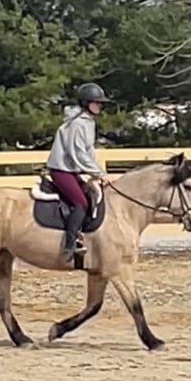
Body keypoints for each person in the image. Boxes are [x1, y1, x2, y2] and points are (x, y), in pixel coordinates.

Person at [46, 82, 112, 261]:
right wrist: (97, 173)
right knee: (81, 202)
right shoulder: (77, 124)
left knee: (90, 196)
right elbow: (78, 153)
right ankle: (70, 244)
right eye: (96, 102)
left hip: (70, 169)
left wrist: (99, 172)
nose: (99, 105)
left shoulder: (88, 122)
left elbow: (89, 151)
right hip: (61, 169)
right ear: (86, 103)